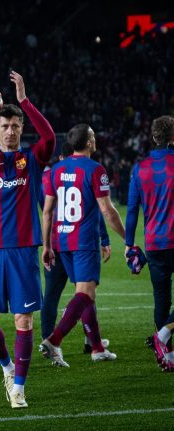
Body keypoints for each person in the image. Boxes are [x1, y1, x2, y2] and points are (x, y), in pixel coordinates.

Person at [0, 72, 55, 408]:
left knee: (24, 320)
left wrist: (24, 101)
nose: (10, 130)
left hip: (22, 251)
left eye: (15, 126)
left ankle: (18, 386)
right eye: (4, 126)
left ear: (21, 129)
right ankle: (6, 366)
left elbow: (49, 138)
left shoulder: (30, 159)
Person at [40, 124, 128, 369]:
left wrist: (46, 246)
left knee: (87, 294)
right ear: (89, 142)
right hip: (83, 241)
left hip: (61, 241)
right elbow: (108, 211)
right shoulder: (95, 169)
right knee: (85, 293)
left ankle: (97, 348)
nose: (95, 138)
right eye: (93, 136)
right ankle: (54, 340)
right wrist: (127, 237)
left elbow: (47, 212)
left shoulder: (56, 170)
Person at [125, 115, 174, 371]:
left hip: (154, 243)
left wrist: (129, 243)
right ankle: (164, 337)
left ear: (153, 137)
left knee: (161, 299)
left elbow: (132, 209)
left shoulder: (140, 168)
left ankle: (167, 356)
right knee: (163, 300)